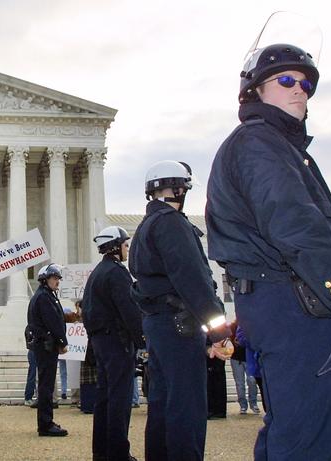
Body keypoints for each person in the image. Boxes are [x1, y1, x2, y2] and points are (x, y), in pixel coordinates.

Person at [206, 44, 331, 460]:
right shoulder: (260, 143)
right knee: (306, 435)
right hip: (292, 299)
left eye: (306, 83)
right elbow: (296, 225)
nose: (299, 89)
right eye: (285, 80)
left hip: (286, 296)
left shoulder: (275, 146)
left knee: (292, 426)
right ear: (254, 90)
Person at [129, 161, 230, 461]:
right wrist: (219, 332)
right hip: (180, 325)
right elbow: (194, 281)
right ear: (176, 188)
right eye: (184, 188)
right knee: (187, 408)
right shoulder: (171, 224)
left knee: (162, 406)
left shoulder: (145, 227)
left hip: (159, 325)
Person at [81, 225, 143, 461]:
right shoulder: (117, 273)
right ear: (116, 247)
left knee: (105, 399)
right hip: (117, 342)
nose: (128, 249)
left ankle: (102, 452)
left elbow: (87, 312)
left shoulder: (98, 272)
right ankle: (118, 453)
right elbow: (130, 310)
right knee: (120, 399)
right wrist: (143, 340)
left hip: (101, 342)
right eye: (125, 244)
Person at [26, 263, 69, 437]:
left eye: (58, 278)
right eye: (54, 278)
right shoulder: (44, 297)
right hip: (46, 346)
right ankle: (45, 424)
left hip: (46, 345)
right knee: (46, 386)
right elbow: (53, 322)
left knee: (46, 385)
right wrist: (62, 341)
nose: (57, 281)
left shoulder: (46, 295)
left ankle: (46, 421)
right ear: (45, 280)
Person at [229, 321, 259, 415]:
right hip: (236, 358)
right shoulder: (232, 326)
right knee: (239, 383)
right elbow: (228, 340)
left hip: (248, 358)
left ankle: (253, 403)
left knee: (252, 381)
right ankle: (243, 405)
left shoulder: (250, 324)